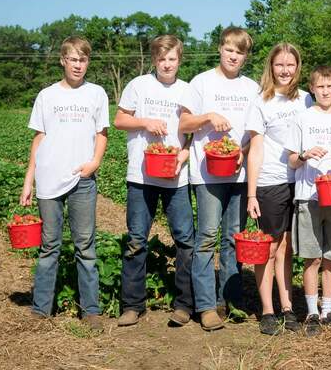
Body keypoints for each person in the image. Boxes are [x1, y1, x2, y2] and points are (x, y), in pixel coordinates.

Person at [19, 36, 109, 331]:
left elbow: (102, 132)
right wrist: (29, 179)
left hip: (82, 178)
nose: (78, 65)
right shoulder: (47, 96)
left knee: (85, 246)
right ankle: (41, 308)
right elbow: (39, 137)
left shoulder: (96, 94)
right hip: (48, 178)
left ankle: (91, 310)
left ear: (87, 63)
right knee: (49, 246)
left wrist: (94, 163)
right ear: (63, 60)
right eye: (73, 59)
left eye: (83, 60)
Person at [178, 27, 259, 331]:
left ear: (245, 56)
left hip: (239, 174)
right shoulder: (201, 82)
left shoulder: (251, 87)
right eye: (229, 50)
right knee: (207, 237)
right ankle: (206, 306)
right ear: (220, 49)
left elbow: (254, 132)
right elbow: (184, 122)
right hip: (207, 173)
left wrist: (244, 149)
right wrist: (208, 116)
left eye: (239, 52)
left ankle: (230, 301)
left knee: (232, 239)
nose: (233, 56)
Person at [114, 35, 195, 328]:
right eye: (162, 59)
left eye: (172, 59)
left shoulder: (188, 90)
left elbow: (192, 132)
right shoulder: (138, 85)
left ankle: (185, 304)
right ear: (154, 60)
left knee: (185, 240)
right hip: (141, 174)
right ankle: (133, 305)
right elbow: (120, 120)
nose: (167, 64)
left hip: (176, 176)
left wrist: (184, 152)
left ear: (179, 60)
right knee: (136, 240)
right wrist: (145, 122)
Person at [285, 65, 331, 337]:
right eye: (320, 87)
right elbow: (292, 161)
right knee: (312, 257)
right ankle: (311, 312)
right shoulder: (302, 119)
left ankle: (328, 311)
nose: (325, 91)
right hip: (308, 196)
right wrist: (305, 155)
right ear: (312, 89)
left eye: (330, 86)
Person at [245, 43, 312, 335]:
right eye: (279, 65)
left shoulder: (307, 100)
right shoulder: (261, 101)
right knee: (269, 247)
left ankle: (287, 306)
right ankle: (268, 311)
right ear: (270, 67)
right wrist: (251, 194)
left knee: (288, 246)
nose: (285, 70)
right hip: (270, 181)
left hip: (298, 182)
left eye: (290, 65)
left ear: (298, 68)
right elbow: (255, 150)